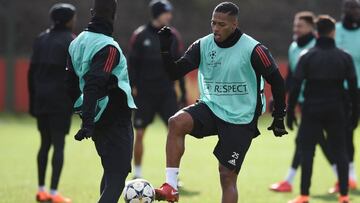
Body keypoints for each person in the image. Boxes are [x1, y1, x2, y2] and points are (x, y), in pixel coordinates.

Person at [154, 2, 288, 202]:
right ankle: (171, 187)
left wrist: (279, 116)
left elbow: (277, 81)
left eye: (222, 24)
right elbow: (174, 73)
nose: (216, 28)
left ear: (235, 24)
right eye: (213, 23)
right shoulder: (203, 45)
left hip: (241, 117)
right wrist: (165, 50)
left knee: (226, 175)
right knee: (176, 122)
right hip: (211, 106)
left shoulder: (254, 49)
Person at [66, 0, 136, 202]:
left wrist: (84, 112)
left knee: (110, 170)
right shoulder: (108, 47)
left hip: (97, 116)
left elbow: (70, 85)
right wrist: (87, 122)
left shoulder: (76, 42)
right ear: (114, 15)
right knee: (117, 176)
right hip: (114, 118)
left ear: (91, 12)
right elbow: (94, 84)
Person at [287, 15, 358, 203]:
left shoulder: (307, 56)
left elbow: (295, 86)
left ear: (316, 32)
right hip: (337, 108)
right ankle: (344, 195)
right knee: (340, 151)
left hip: (312, 109)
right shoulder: (345, 57)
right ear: (333, 32)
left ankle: (304, 195)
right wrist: (355, 114)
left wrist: (290, 112)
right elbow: (352, 88)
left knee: (307, 151)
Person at [270, 11, 335, 193]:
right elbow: (291, 77)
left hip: (321, 101)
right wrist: (278, 97)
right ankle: (342, 178)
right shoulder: (293, 47)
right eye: (295, 25)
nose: (296, 29)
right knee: (318, 141)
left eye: (300, 26)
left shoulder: (320, 46)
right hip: (304, 103)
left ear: (311, 28)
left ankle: (289, 182)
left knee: (305, 141)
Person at [128, 0, 187, 179]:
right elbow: (132, 65)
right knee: (139, 134)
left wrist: (182, 91)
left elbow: (180, 64)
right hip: (144, 93)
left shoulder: (173, 35)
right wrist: (132, 87)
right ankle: (137, 174)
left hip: (166, 93)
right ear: (156, 14)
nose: (169, 16)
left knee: (176, 132)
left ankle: (173, 176)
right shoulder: (140, 35)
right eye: (166, 13)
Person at [28, 3, 76, 203]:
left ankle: (41, 190)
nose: (75, 21)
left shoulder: (41, 39)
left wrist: (32, 101)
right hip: (60, 102)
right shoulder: (70, 41)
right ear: (67, 20)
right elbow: (73, 75)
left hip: (41, 99)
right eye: (73, 17)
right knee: (58, 145)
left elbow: (31, 73)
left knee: (44, 144)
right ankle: (54, 193)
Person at [330, 0, 360, 193]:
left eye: (358, 7)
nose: (355, 11)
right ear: (344, 10)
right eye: (352, 7)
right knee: (344, 134)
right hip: (342, 91)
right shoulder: (335, 30)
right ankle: (350, 177)